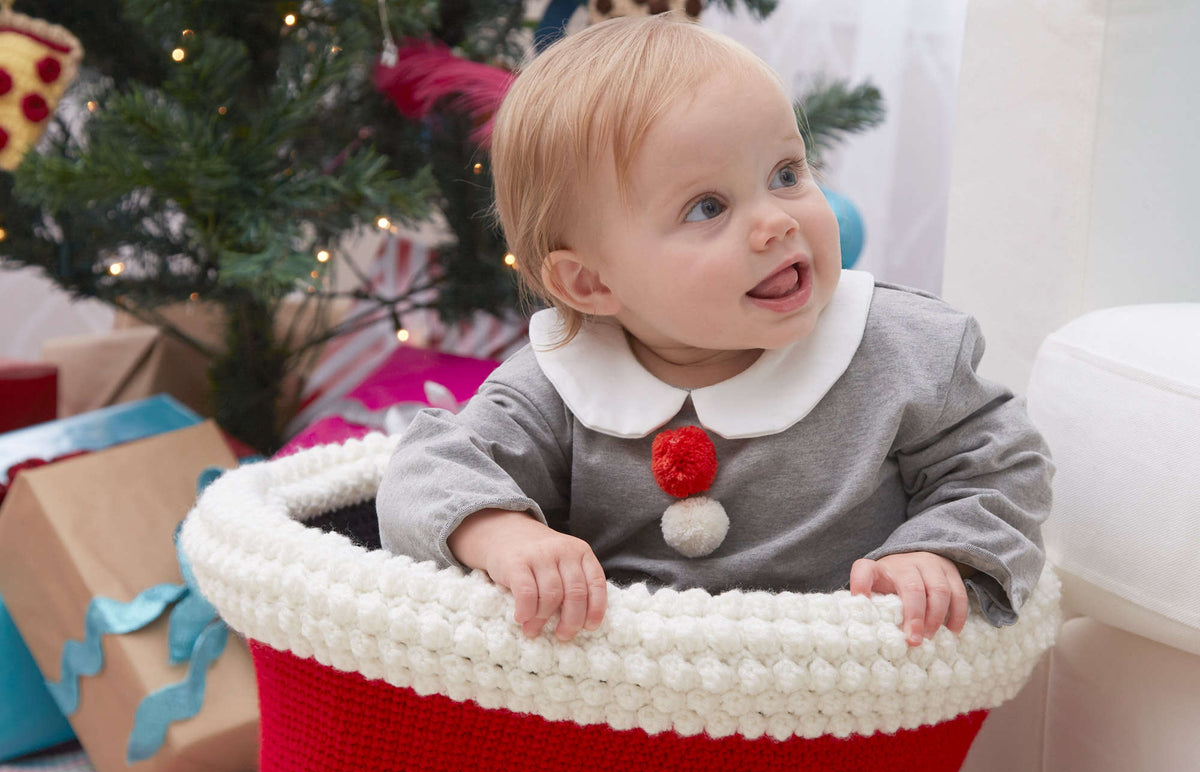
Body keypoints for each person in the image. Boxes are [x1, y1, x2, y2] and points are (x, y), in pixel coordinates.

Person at [376, 15, 1052, 648]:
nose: (777, 222)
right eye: (708, 207)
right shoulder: (562, 379)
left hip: (837, 706)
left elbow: (1002, 464)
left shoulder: (902, 347)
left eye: (787, 173)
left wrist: (933, 550)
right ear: (591, 285)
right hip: (617, 704)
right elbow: (425, 468)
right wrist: (502, 535)